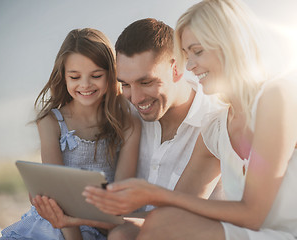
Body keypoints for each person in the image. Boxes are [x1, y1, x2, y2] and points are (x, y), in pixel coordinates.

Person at [82, 1, 297, 240]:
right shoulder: (216, 126)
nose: (189, 66)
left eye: (197, 52)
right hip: (255, 235)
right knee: (124, 235)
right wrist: (83, 219)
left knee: (162, 224)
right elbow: (175, 213)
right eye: (186, 54)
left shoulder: (277, 97)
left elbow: (252, 214)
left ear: (231, 45)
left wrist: (156, 194)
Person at [35, 18, 223, 239]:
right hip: (125, 227)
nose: (136, 98)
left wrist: (79, 219)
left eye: (146, 82)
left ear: (177, 69)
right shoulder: (125, 116)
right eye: (125, 84)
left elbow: (174, 218)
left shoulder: (213, 122)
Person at [0, 28, 141, 240]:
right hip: (55, 223)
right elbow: (55, 196)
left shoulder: (127, 125)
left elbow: (120, 202)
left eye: (96, 75)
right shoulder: (51, 122)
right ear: (63, 76)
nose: (85, 85)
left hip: (100, 224)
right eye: (74, 76)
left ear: (111, 74)